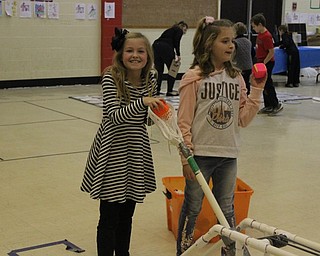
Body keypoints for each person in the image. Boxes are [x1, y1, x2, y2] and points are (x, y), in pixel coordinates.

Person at [176, 17, 266, 256]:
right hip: (200, 157)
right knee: (193, 206)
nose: (231, 46)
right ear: (209, 44)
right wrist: (186, 157)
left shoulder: (236, 78)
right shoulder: (193, 77)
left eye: (232, 41)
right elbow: (183, 122)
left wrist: (257, 89)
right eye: (225, 41)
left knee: (226, 207)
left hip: (228, 155)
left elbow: (243, 120)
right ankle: (184, 250)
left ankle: (231, 251)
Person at [80, 28, 164, 256]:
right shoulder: (111, 77)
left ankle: (123, 253)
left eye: (141, 51)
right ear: (120, 53)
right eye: (129, 50)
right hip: (112, 151)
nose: (135, 55)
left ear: (148, 55)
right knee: (109, 215)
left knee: (127, 213)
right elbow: (113, 116)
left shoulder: (152, 77)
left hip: (136, 150)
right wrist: (144, 103)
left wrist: (160, 115)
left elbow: (145, 120)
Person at [251, 13, 283, 116]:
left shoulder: (266, 36)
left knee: (268, 83)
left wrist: (264, 63)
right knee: (263, 84)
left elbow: (271, 52)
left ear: (260, 24)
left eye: (254, 26)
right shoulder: (260, 35)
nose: (253, 29)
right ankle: (268, 105)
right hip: (260, 61)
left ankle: (275, 104)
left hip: (267, 62)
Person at [152, 21, 188, 96]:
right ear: (183, 27)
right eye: (185, 30)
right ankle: (170, 90)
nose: (184, 32)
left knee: (159, 70)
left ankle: (157, 90)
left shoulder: (170, 30)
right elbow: (176, 42)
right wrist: (178, 54)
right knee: (173, 70)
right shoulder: (179, 30)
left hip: (156, 45)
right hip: (166, 48)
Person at [233, 22, 255, 95]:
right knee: (246, 83)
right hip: (248, 66)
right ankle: (247, 96)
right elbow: (253, 53)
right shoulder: (248, 41)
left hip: (239, 67)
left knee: (239, 84)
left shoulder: (235, 42)